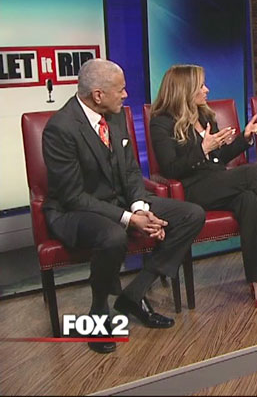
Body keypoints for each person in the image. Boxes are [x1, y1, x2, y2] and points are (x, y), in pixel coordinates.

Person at [42, 59, 206, 354]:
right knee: (113, 235)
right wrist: (130, 218)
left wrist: (140, 207)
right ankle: (99, 311)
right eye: (120, 89)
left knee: (190, 214)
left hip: (119, 201)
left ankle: (135, 293)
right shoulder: (60, 128)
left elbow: (130, 172)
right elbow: (72, 196)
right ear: (98, 95)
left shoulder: (115, 116)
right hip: (74, 210)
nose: (126, 94)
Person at [149, 65, 257, 312]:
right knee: (252, 173)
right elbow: (170, 169)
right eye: (201, 86)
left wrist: (245, 138)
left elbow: (218, 158)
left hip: (218, 181)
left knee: (249, 200)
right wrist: (202, 149)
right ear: (184, 89)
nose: (206, 90)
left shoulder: (204, 115)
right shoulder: (161, 123)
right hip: (191, 189)